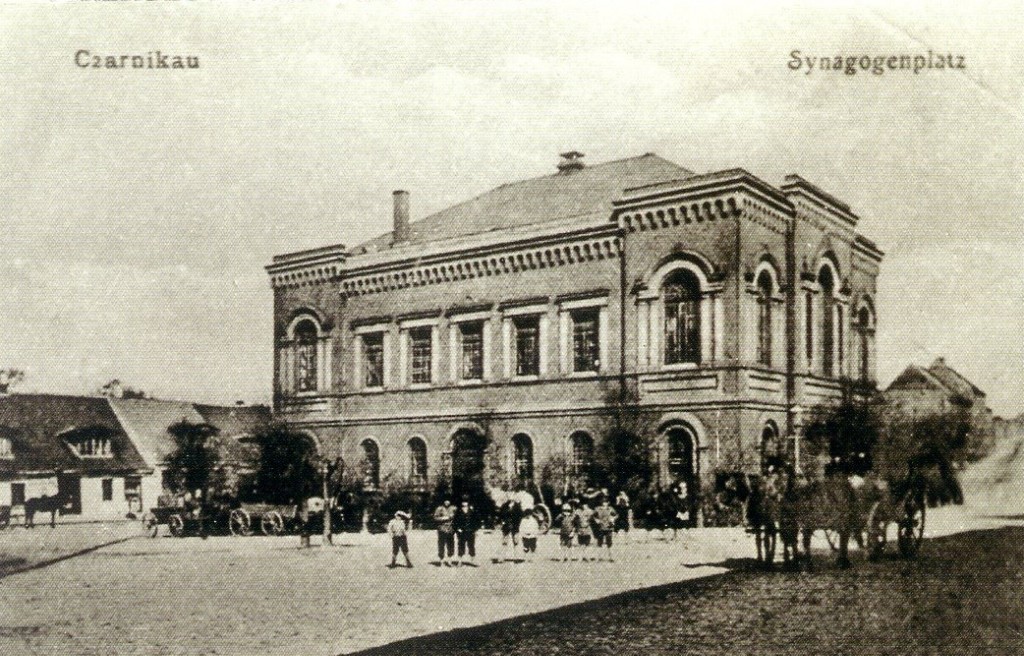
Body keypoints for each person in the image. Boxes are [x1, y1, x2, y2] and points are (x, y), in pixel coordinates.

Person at [453, 499, 481, 567]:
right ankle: (460, 562)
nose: (464, 504)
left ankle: (473, 561)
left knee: (471, 546)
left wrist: (475, 529)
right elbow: (455, 521)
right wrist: (457, 529)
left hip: (470, 532)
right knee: (461, 546)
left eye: (466, 503)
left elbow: (477, 520)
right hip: (462, 532)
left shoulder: (472, 511)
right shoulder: (458, 511)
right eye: (463, 503)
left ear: (468, 504)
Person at [497, 496, 523, 562]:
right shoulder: (504, 506)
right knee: (504, 542)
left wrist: (517, 524)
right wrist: (501, 522)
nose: (511, 497)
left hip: (515, 526)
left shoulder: (518, 506)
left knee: (516, 542)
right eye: (510, 496)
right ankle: (502, 558)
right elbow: (500, 515)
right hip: (506, 526)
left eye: (513, 496)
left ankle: (516, 558)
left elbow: (520, 516)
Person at [592, 496, 619, 561]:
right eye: (603, 502)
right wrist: (596, 520)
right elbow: (593, 516)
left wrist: (613, 519)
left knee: (609, 544)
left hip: (608, 528)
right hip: (600, 528)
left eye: (606, 502)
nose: (605, 503)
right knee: (599, 543)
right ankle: (599, 557)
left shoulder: (610, 509)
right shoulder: (598, 509)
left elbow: (616, 515)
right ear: (601, 503)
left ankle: (611, 558)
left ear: (608, 503)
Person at [433, 499, 456, 566]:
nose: (447, 502)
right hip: (442, 529)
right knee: (441, 545)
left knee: (451, 545)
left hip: (450, 529)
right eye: (445, 500)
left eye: (448, 500)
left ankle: (449, 561)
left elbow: (457, 517)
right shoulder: (439, 508)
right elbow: (435, 518)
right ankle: (441, 561)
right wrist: (444, 518)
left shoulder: (453, 508)